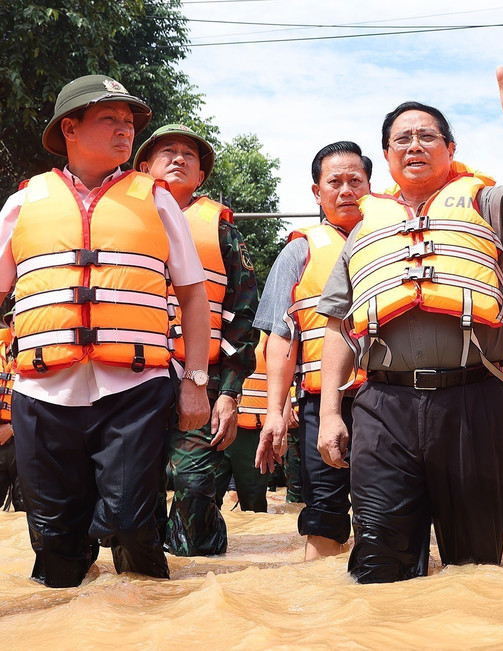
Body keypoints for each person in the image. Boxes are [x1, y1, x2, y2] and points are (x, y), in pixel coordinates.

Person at [316, 52, 503, 583]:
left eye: (427, 137)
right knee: (378, 565)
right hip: (382, 406)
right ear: (386, 155)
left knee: (476, 570)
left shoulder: (487, 205)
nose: (415, 146)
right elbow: (336, 327)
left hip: (472, 400)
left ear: (450, 150)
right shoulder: (363, 228)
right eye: (402, 139)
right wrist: (331, 413)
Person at [0, 75, 210, 587]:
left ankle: (149, 631)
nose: (125, 130)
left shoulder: (156, 201)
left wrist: (196, 381)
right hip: (42, 394)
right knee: (53, 542)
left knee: (134, 528)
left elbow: (192, 295)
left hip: (134, 392)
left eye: (129, 122)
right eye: (109, 119)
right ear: (69, 128)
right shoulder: (22, 204)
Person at [135, 123, 259, 556]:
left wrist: (229, 393)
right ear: (144, 166)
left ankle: (201, 578)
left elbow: (243, 316)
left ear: (201, 177)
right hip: (134, 380)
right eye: (167, 151)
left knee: (195, 486)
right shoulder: (125, 222)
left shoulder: (221, 231)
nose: (179, 159)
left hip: (201, 381)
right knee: (133, 495)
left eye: (190, 155)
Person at [253, 141, 372, 560]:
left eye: (355, 181)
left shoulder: (393, 242)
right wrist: (274, 412)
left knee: (387, 509)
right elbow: (281, 339)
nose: (346, 191)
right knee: (324, 508)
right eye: (334, 182)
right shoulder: (298, 252)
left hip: (388, 398)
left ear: (371, 186)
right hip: (323, 403)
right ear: (316, 192)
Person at [223, 330, 271, 511]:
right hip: (216, 424)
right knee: (201, 497)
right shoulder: (225, 323)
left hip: (254, 431)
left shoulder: (269, 334)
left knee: (253, 506)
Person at [0, 306, 22, 512]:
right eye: (12, 320)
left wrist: (13, 427)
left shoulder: (40, 354)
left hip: (25, 442)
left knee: (26, 511)